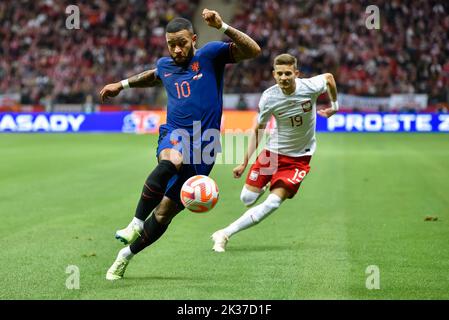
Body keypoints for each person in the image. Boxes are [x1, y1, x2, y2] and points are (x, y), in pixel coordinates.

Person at [99, 9, 261, 280]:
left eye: (182, 43)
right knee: (172, 160)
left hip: (206, 147)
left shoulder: (210, 55)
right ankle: (135, 222)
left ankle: (125, 256)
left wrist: (223, 26)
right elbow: (153, 75)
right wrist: (122, 84)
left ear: (194, 39)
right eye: (171, 44)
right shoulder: (166, 64)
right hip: (175, 132)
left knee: (164, 214)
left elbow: (253, 50)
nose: (176, 49)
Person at [211, 53, 338, 252]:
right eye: (280, 74)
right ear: (274, 75)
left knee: (273, 203)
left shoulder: (310, 87)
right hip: (272, 152)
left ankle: (225, 233)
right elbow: (258, 130)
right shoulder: (269, 98)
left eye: (288, 73)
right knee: (247, 199)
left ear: (296, 73)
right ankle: (269, 181)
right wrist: (244, 163)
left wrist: (334, 107)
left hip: (299, 158)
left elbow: (329, 78)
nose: (284, 77)